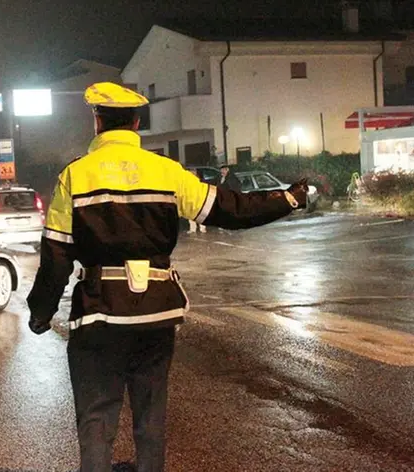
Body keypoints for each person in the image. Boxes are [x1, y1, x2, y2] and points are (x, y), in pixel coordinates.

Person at [26, 82, 308, 472]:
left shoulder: (74, 177)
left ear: (97, 122)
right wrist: (287, 198)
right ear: (137, 123)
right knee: (150, 417)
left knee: (96, 418)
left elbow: (55, 257)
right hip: (156, 314)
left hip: (99, 314)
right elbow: (229, 210)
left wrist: (40, 313)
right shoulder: (167, 172)